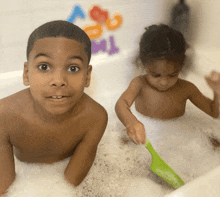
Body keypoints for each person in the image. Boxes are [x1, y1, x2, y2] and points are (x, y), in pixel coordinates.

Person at [0, 20, 108, 196]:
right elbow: (3, 187)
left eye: (73, 68)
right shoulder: (4, 115)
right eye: (44, 67)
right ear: (26, 74)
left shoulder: (94, 117)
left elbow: (70, 184)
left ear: (87, 76)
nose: (59, 80)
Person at [115, 24, 220, 145]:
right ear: (144, 65)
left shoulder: (186, 88)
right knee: (123, 144)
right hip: (143, 136)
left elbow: (214, 112)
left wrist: (217, 92)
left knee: (215, 143)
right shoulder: (139, 83)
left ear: (181, 67)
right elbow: (121, 104)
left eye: (172, 75)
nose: (164, 82)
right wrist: (131, 122)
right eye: (155, 75)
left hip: (177, 137)